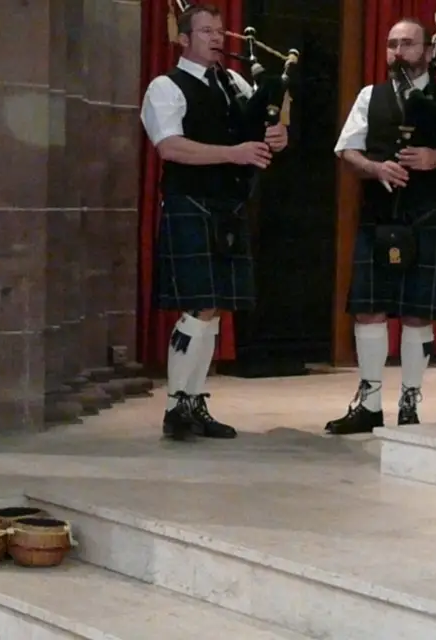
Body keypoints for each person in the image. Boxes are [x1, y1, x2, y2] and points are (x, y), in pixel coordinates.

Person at [326, 18, 436, 435]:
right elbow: (346, 149)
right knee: (368, 310)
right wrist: (373, 166)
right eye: (391, 44)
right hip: (380, 216)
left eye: (407, 44)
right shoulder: (371, 96)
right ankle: (368, 404)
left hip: (428, 216)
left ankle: (409, 403)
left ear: (427, 52)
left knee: (418, 314)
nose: (398, 51)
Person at [140, 4, 289, 441]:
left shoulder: (236, 83)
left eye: (220, 31)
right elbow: (170, 147)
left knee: (214, 307)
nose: (217, 38)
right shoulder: (165, 87)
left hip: (230, 204)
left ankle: (195, 401)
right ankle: (176, 406)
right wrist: (233, 153)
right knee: (198, 305)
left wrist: (275, 137)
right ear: (183, 38)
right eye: (206, 31)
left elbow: (259, 133)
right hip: (191, 201)